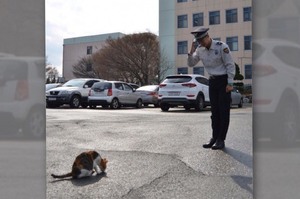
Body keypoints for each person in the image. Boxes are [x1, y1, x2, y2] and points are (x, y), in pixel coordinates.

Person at [187, 27, 235, 150]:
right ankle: (214, 137)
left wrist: (230, 83)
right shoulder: (199, 49)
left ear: (207, 36)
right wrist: (190, 52)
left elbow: (230, 64)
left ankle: (221, 139)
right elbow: (191, 64)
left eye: (202, 40)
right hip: (212, 81)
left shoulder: (221, 46)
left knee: (223, 111)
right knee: (214, 112)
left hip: (224, 81)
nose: (201, 43)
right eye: (199, 41)